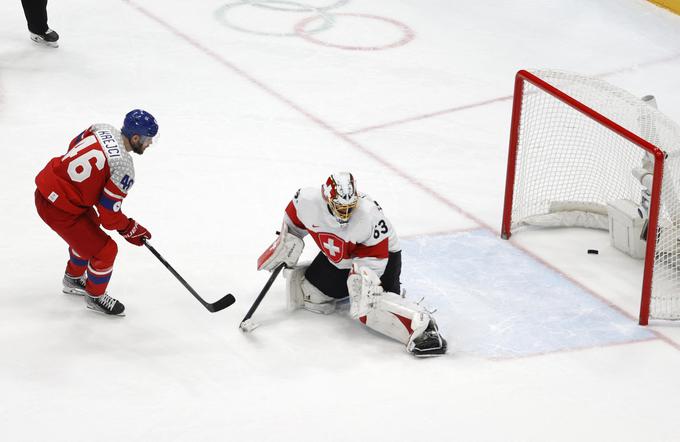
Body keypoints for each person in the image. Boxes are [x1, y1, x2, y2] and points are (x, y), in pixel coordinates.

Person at [257, 172, 447, 357]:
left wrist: (361, 286)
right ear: (327, 200)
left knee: (368, 308)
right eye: (340, 207)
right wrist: (287, 245)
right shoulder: (306, 201)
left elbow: (377, 258)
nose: (346, 213)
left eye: (350, 207)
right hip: (341, 259)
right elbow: (292, 226)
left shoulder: (368, 214)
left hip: (382, 257)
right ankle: (352, 292)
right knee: (309, 295)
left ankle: (423, 325)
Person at [34, 110, 159, 316]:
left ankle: (73, 278)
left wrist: (81, 187)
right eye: (148, 139)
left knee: (90, 229)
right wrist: (130, 228)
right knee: (106, 250)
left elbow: (73, 146)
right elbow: (109, 217)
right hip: (59, 208)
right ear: (135, 138)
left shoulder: (102, 128)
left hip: (48, 189)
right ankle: (95, 296)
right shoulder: (124, 167)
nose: (150, 144)